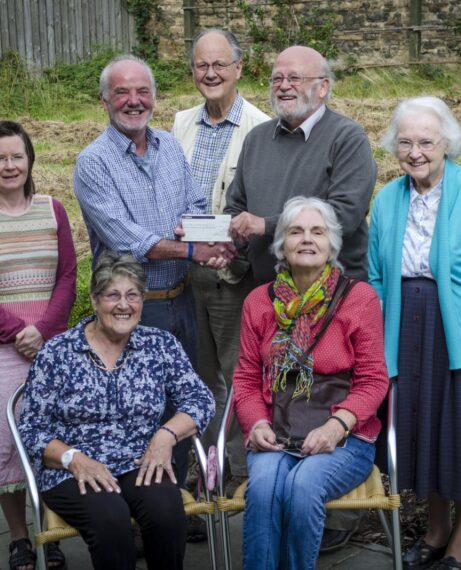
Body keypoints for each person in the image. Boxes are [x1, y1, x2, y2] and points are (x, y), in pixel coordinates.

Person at [72, 55, 233, 539]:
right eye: (122, 93)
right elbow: (126, 239)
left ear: (155, 96)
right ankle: (139, 518)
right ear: (105, 100)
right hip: (131, 309)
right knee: (132, 412)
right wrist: (193, 248)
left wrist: (210, 235)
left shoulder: (168, 147)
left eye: (142, 91)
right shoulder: (92, 162)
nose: (133, 101)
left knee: (181, 404)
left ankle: (173, 505)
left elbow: (195, 206)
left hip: (182, 298)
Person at [223, 44, 377, 549]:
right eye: (276, 77)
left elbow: (346, 213)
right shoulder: (257, 139)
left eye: (295, 77)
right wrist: (230, 244)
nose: (283, 85)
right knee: (275, 398)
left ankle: (329, 520)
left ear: (323, 86)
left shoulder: (346, 137)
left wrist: (269, 226)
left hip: (331, 301)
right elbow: (236, 205)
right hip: (272, 297)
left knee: (325, 391)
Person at [368, 96, 461, 570]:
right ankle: (434, 532)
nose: (415, 152)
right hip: (405, 334)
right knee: (422, 435)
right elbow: (374, 278)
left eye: (426, 142)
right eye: (406, 142)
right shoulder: (387, 199)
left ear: (446, 144)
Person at [18, 252, 215, 570]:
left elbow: (200, 399)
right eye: (113, 295)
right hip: (74, 468)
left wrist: (166, 436)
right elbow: (31, 428)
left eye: (132, 295)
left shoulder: (159, 345)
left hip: (140, 460)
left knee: (167, 516)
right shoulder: (59, 352)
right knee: (111, 523)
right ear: (95, 301)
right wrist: (74, 459)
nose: (123, 305)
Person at [233, 197, 389, 570]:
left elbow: (373, 380)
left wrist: (338, 425)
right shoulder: (258, 302)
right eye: (295, 231)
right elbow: (246, 377)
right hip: (278, 429)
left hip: (345, 436)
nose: (306, 239)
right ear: (280, 244)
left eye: (317, 231)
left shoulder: (360, 299)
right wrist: (255, 422)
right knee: (267, 486)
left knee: (303, 488)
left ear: (331, 244)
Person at [0, 120, 77, 570]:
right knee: (5, 444)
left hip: (51, 348)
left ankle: (53, 528)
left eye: (17, 156)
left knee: (54, 440)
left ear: (30, 160)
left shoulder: (53, 209)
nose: (9, 166)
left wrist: (42, 331)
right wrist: (15, 332)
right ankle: (20, 536)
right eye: (0, 157)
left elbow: (66, 277)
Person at [171, 29, 270, 486]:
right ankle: (211, 469)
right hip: (186, 273)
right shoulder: (180, 123)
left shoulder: (261, 127)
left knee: (239, 377)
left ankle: (248, 475)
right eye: (201, 65)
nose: (210, 73)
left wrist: (235, 255)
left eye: (219, 65)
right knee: (199, 376)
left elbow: (262, 202)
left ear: (238, 69)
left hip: (234, 275)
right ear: (192, 71)